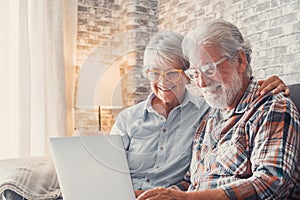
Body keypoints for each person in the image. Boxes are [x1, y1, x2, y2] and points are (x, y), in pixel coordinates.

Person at [110, 30, 289, 196]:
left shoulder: (208, 110)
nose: (162, 81)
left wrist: (271, 84)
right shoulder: (128, 118)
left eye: (172, 73)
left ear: (187, 75)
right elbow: (108, 172)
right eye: (154, 73)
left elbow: (272, 181)